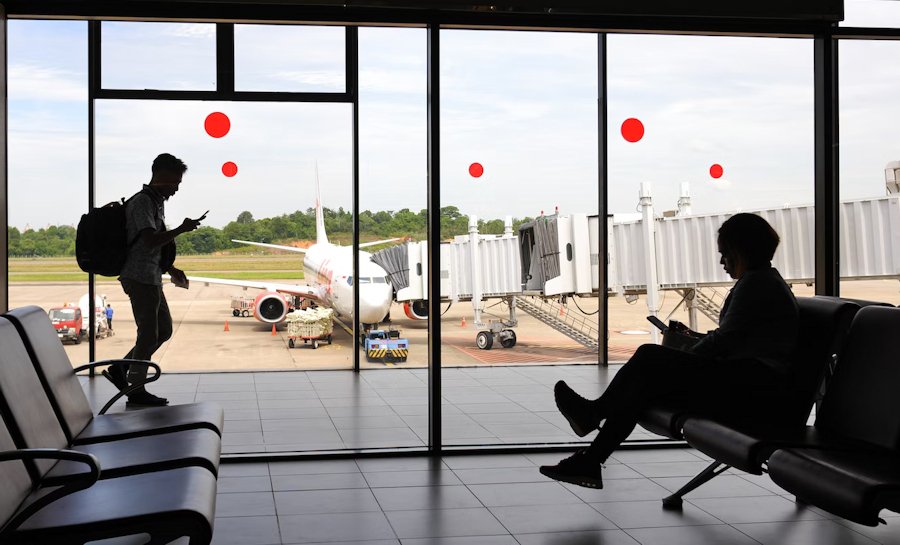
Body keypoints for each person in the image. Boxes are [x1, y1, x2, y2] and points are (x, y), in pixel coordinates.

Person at [540, 213, 799, 489]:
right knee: (643, 385)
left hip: (750, 390)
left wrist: (686, 355)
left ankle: (593, 425)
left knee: (649, 358)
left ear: (741, 252)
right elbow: (736, 338)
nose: (722, 262)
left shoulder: (757, 285)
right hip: (750, 384)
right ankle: (591, 454)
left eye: (725, 254)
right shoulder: (765, 282)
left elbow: (726, 340)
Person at [103, 153, 203, 407]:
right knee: (148, 333)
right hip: (138, 277)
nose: (177, 188)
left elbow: (150, 247)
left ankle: (120, 369)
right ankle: (136, 389)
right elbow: (148, 240)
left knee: (164, 330)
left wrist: (170, 268)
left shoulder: (156, 202)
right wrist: (182, 228)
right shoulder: (142, 203)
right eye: (175, 182)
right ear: (162, 176)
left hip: (151, 275)